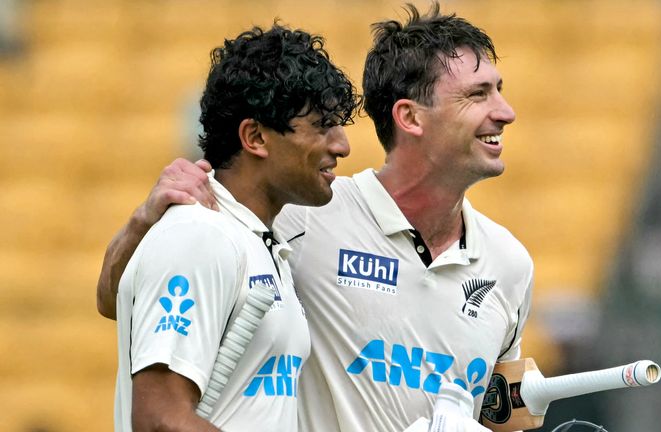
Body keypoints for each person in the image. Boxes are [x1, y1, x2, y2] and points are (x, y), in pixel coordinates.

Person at [98, 3, 532, 432]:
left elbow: (503, 417)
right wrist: (144, 221)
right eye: (478, 94)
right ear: (410, 117)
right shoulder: (293, 215)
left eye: (498, 89)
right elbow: (121, 300)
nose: (505, 111)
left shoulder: (510, 264)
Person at [110, 24, 357, 431]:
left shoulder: (253, 238)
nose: (342, 145)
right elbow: (159, 420)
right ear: (256, 137)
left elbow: (114, 300)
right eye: (322, 125)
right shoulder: (201, 237)